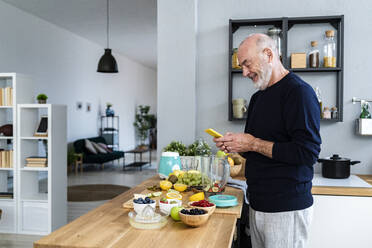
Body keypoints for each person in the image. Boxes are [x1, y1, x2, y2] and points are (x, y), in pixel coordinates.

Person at [214, 34, 321, 248]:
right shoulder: (258, 98)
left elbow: (307, 153)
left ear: (268, 54)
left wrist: (252, 143)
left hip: (286, 208)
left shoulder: (299, 93)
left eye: (247, 64)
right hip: (257, 204)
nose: (244, 72)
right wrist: (236, 145)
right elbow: (255, 148)